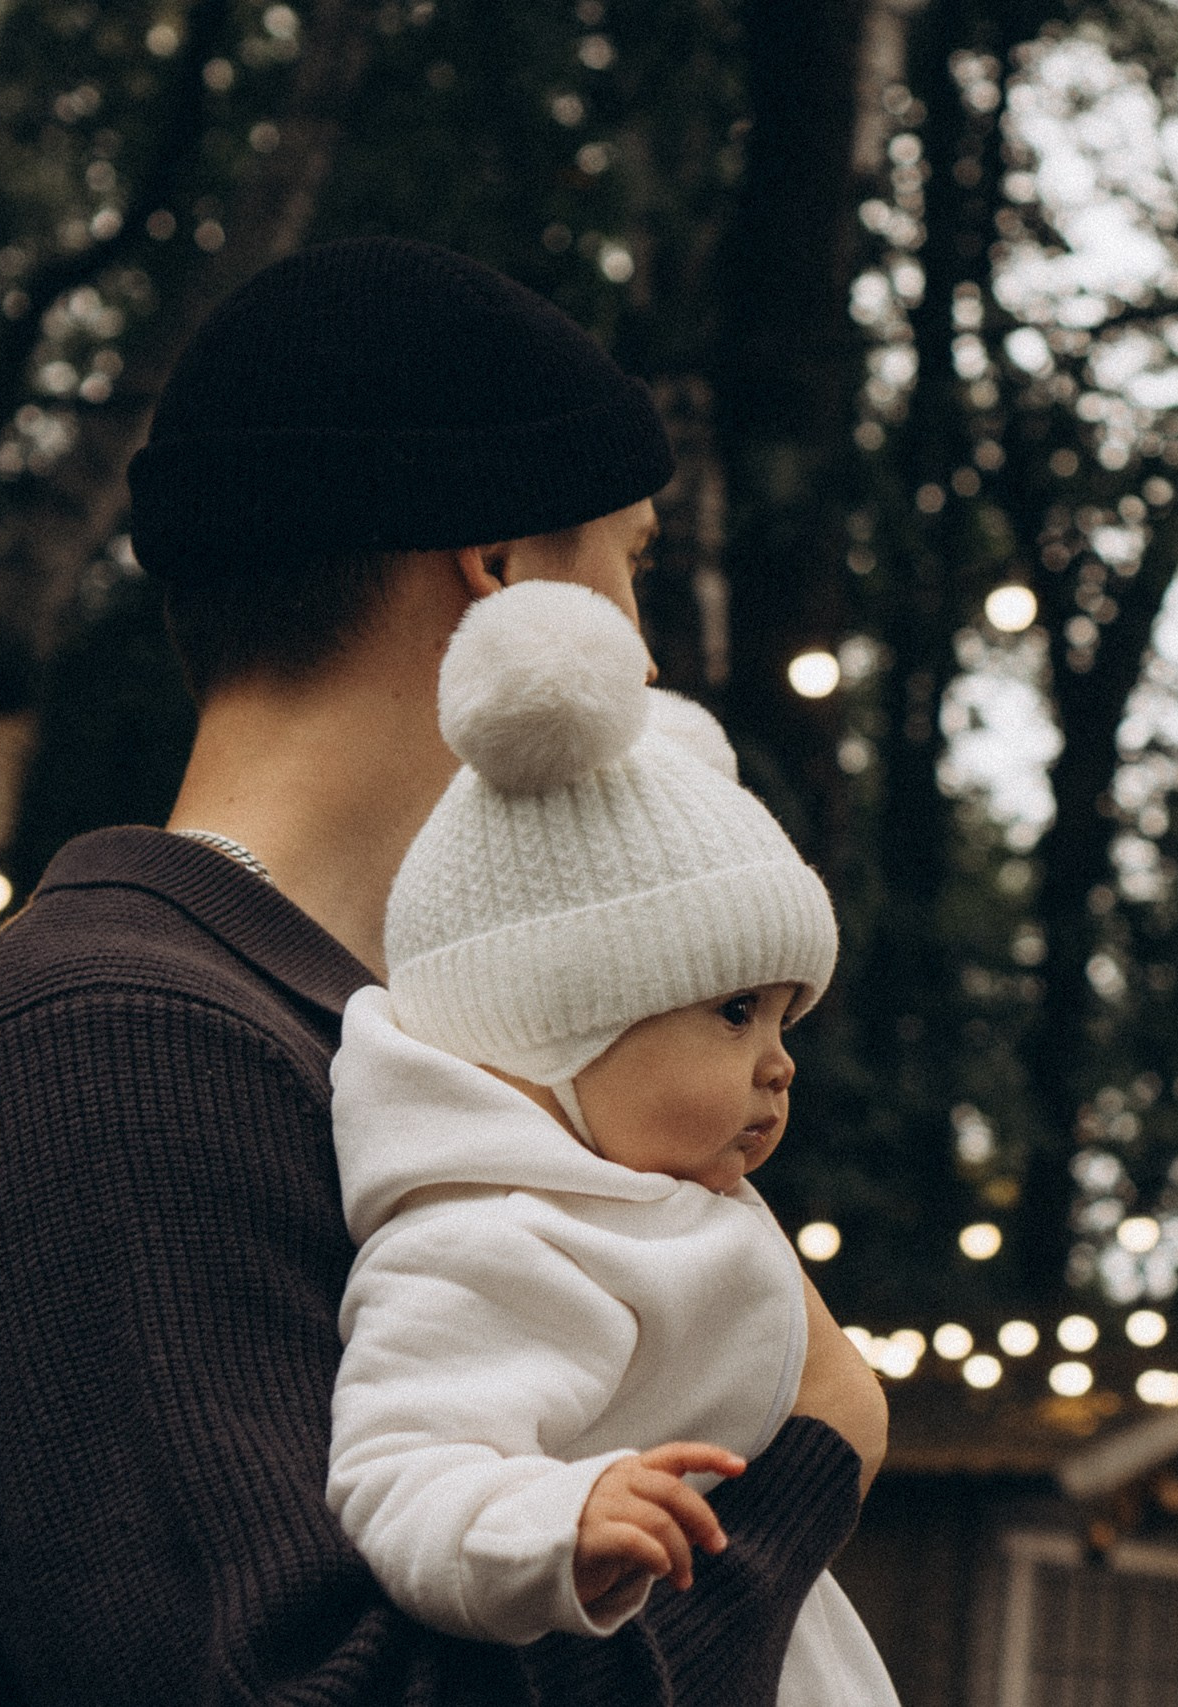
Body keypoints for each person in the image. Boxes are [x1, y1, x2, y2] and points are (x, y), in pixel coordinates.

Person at [0, 236, 886, 1705]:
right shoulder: (103, 1052)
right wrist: (806, 1458)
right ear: (509, 565)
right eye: (631, 566)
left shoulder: (383, 1063)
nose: (647, 662)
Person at [324, 579, 895, 1707]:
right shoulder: (493, 1234)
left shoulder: (646, 1193)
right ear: (554, 1024)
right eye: (735, 1012)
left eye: (788, 1019)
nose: (780, 1064)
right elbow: (400, 1471)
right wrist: (557, 1522)